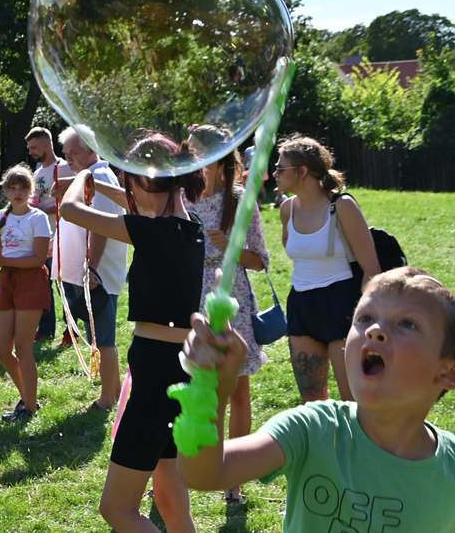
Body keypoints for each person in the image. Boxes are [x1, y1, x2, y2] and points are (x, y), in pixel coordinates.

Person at [179, 267, 455, 532]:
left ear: (448, 370)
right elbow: (205, 474)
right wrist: (210, 392)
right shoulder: (313, 429)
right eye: (365, 318)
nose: (375, 330)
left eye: (407, 323)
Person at [61, 133, 205, 533]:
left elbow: (70, 210)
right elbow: (142, 207)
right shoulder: (190, 227)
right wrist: (106, 184)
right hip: (181, 371)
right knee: (171, 499)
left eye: (130, 180)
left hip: (156, 373)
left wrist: (83, 176)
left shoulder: (150, 232)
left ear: (145, 179)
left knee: (117, 509)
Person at [188, 128, 270, 504]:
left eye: (199, 153)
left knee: (236, 389)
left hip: (230, 293)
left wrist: (228, 247)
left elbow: (260, 260)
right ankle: (193, 464)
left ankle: (234, 477)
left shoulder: (240, 200)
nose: (195, 161)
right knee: (196, 384)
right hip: (193, 295)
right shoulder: (186, 198)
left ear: (219, 157)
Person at [276, 135, 380, 402]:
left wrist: (366, 316)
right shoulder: (287, 209)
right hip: (301, 302)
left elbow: (372, 270)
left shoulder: (342, 206)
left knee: (352, 399)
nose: (275, 173)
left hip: (342, 303)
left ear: (302, 171)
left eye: (281, 168)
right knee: (312, 403)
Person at [56, 128, 128, 413]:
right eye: (66, 154)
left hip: (100, 274)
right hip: (93, 271)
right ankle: (116, 389)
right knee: (102, 336)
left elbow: (101, 226)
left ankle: (107, 399)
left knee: (104, 339)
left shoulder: (100, 176)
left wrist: (92, 268)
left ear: (90, 150)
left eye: (73, 153)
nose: (68, 158)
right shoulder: (90, 176)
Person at [0, 165, 51, 422]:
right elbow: (0, 254)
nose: (18, 192)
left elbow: (38, 259)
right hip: (8, 280)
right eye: (13, 187)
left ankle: (30, 407)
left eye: (23, 187)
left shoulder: (38, 218)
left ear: (31, 190)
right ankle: (28, 397)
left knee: (23, 347)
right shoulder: (1, 216)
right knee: (0, 348)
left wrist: (1, 261)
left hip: (31, 281)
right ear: (6, 190)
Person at [24, 127, 69, 342]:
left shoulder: (64, 168)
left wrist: (41, 210)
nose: (30, 151)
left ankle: (71, 330)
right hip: (43, 235)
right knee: (43, 284)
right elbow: (36, 198)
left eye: (34, 147)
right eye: (29, 147)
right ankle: (46, 329)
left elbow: (69, 204)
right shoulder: (39, 171)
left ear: (47, 145)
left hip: (61, 234)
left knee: (64, 284)